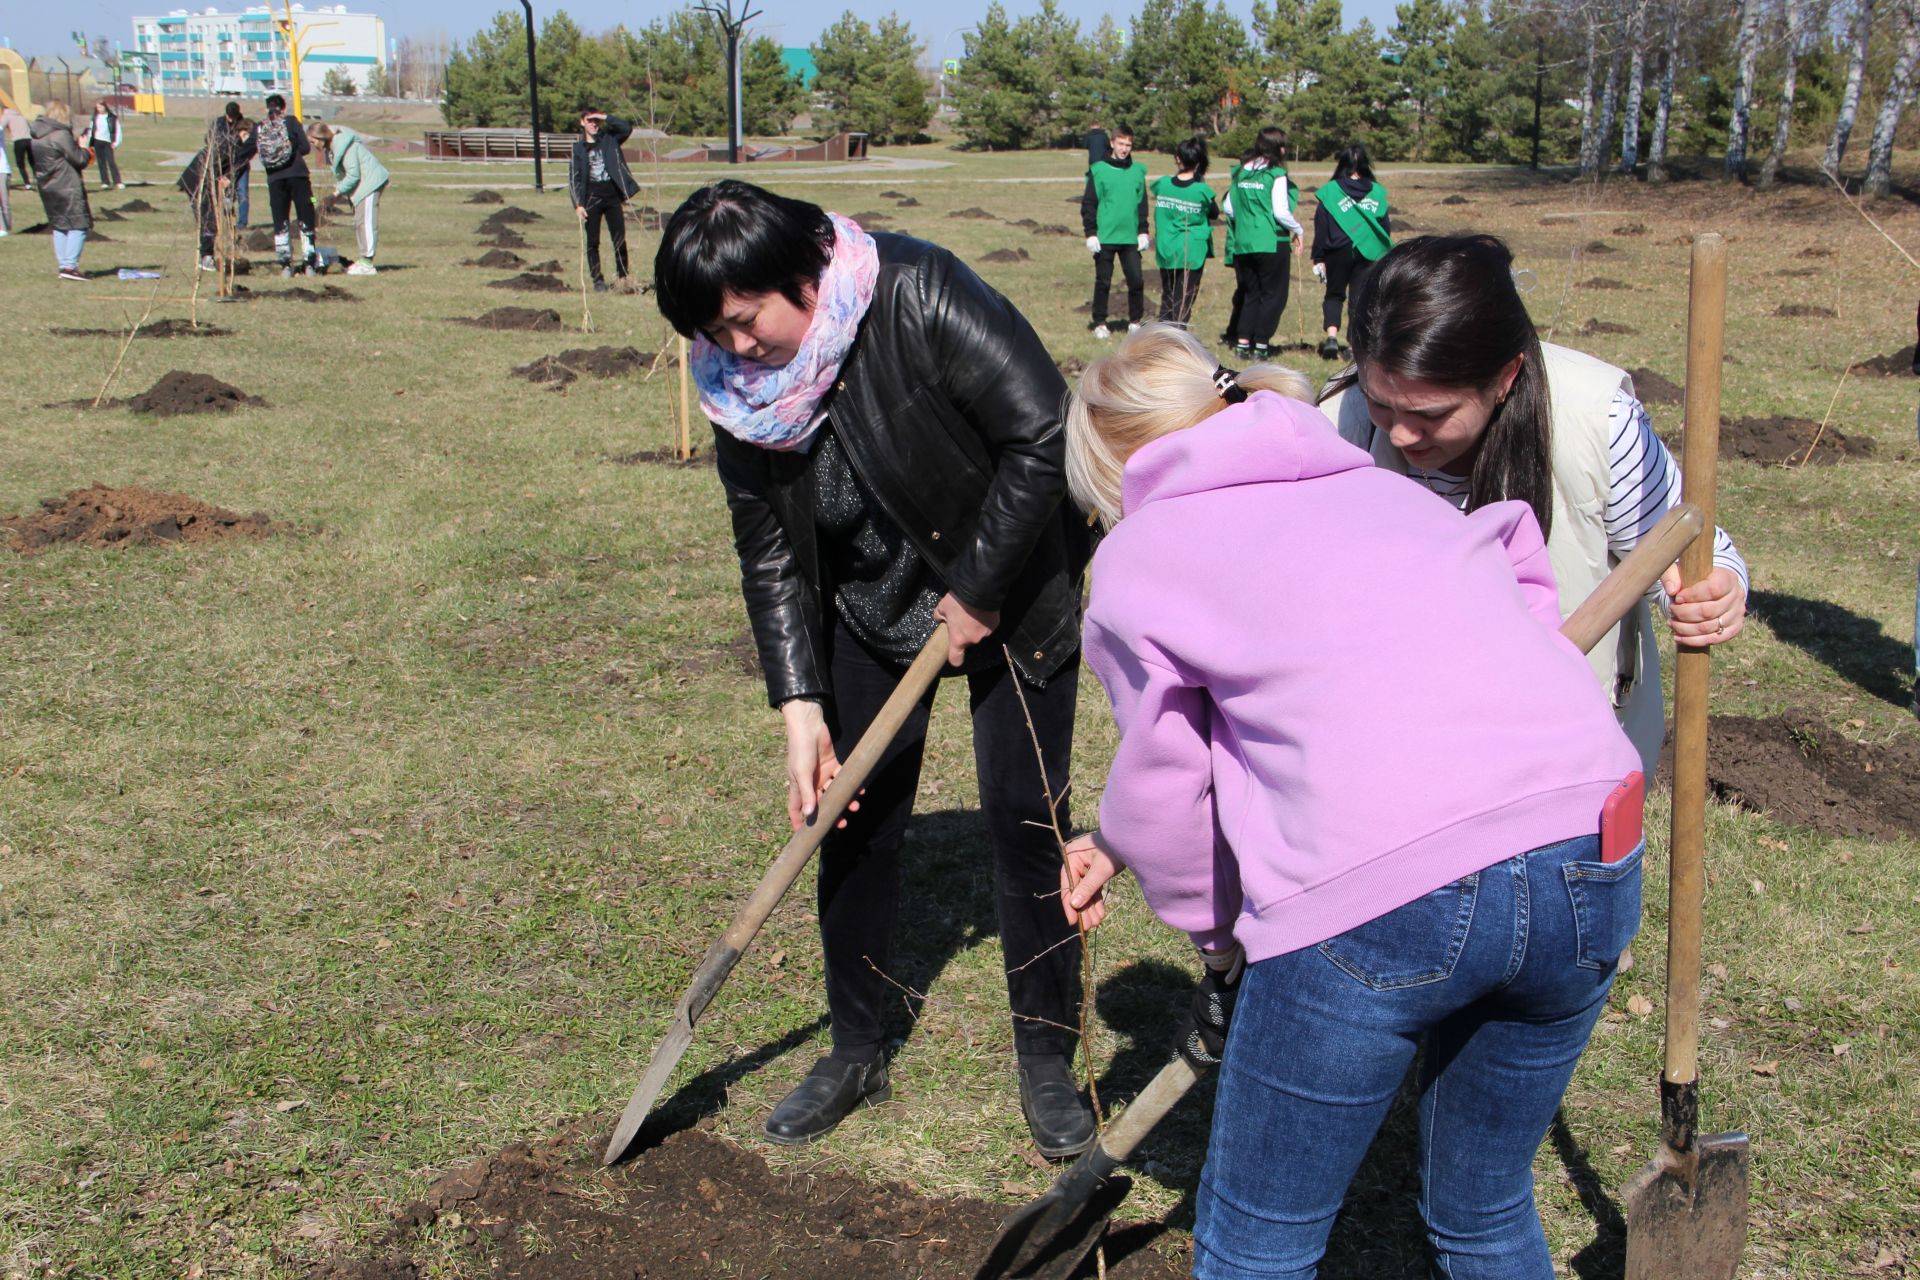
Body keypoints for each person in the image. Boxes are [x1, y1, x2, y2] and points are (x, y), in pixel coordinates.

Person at [1058, 322, 1647, 1280]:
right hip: (1590, 845)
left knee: (1258, 1247)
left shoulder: (1143, 552)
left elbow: (1168, 788)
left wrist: (1217, 943)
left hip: (1381, 892)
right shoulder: (1387, 490)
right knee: (1485, 1209)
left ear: (1114, 463)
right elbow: (1520, 573)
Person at [653, 180, 1097, 1159]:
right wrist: (799, 705)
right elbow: (768, 549)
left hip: (1011, 576)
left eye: (744, 319)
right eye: (710, 332)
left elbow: (1043, 429)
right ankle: (857, 1048)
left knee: (1027, 818)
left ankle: (1050, 1056)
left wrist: (980, 587)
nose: (735, 349)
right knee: (848, 821)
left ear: (802, 273)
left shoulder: (919, 293)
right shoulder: (734, 386)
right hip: (864, 597)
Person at [1318, 234, 1750, 772]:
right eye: (1382, 404)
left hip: (1569, 753)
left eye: (1431, 415)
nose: (1402, 435)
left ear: (1504, 377)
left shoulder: (1596, 420)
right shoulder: (1336, 424)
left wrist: (1718, 591)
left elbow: (1688, 554)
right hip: (1402, 754)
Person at [1221, 126, 1305, 360]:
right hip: (1270, 242)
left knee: (1250, 293)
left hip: (1243, 243)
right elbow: (1281, 211)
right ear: (1277, 147)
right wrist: (1298, 229)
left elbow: (1228, 207)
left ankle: (1242, 343)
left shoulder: (1240, 172)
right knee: (1273, 295)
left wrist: (1246, 220)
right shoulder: (1275, 175)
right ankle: (1261, 344)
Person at [1311, 143, 1391, 360]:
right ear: (1366, 165)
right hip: (1369, 252)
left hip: (1337, 250)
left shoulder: (1331, 192)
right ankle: (1355, 346)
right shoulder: (1377, 193)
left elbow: (1321, 225)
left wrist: (1318, 256)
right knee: (1361, 298)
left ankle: (1331, 338)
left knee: (1334, 294)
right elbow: (1384, 227)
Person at [1081, 124, 1149, 341]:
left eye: (1128, 144)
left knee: (1136, 280)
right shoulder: (1099, 170)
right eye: (1121, 143)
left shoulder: (1137, 171)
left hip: (1129, 237)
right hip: (1106, 236)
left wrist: (1143, 231)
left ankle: (1135, 321)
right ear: (1112, 143)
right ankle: (1100, 321)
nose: (1124, 148)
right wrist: (1091, 233)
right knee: (1104, 281)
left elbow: (1142, 203)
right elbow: (1089, 203)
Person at [1149, 137, 1218, 327]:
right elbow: (1214, 212)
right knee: (1184, 299)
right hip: (1191, 251)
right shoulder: (1202, 190)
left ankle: (1161, 336)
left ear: (1178, 158)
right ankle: (1178, 337)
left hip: (1167, 248)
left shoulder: (1162, 184)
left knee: (1168, 296)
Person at [568, 108, 640, 292]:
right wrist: (578, 205)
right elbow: (574, 178)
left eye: (596, 121)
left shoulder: (610, 140)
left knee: (619, 238)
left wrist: (605, 117)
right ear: (582, 122)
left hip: (612, 196)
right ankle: (597, 279)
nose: (594, 124)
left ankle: (623, 276)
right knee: (593, 241)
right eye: (589, 120)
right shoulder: (578, 149)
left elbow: (626, 128)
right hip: (591, 198)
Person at [310, 121, 388, 276]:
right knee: (359, 222)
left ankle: (367, 264)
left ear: (320, 137)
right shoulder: (334, 146)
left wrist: (335, 194)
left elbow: (353, 175)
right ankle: (364, 259)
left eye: (312, 141)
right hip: (362, 186)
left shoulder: (345, 146)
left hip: (370, 184)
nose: (312, 145)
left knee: (365, 222)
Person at [179, 111, 253, 273]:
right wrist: (222, 185)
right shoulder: (229, 145)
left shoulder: (238, 148)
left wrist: (227, 192)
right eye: (246, 134)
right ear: (240, 132)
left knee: (212, 219)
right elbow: (214, 167)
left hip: (207, 182)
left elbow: (231, 173)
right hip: (198, 181)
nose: (248, 139)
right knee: (209, 219)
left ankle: (207, 255)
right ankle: (206, 257)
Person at [29, 101, 93, 282]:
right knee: (79, 224)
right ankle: (70, 266)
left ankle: (64, 264)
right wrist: (85, 149)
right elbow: (79, 159)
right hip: (67, 185)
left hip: (48, 185)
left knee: (60, 225)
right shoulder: (60, 135)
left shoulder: (36, 135)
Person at [256, 93, 318, 278]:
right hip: (298, 175)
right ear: (283, 109)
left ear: (267, 109)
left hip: (275, 179)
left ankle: (285, 265)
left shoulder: (261, 127)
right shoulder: (291, 121)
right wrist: (292, 151)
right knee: (305, 217)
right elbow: (306, 148)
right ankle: (309, 264)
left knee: (280, 221)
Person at [88, 100, 124, 189]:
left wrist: (116, 143)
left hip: (108, 142)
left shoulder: (112, 118)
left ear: (105, 106)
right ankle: (105, 182)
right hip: (97, 141)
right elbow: (91, 130)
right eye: (97, 107)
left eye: (100, 107)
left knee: (111, 162)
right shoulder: (95, 117)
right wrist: (90, 142)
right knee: (101, 162)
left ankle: (118, 182)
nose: (99, 109)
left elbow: (117, 131)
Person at [3, 104, 31, 193]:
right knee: (32, 162)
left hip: (19, 141)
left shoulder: (7, 116)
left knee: (20, 163)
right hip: (29, 140)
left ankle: (27, 183)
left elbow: (0, 127)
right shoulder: (22, 117)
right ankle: (38, 180)